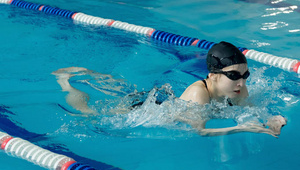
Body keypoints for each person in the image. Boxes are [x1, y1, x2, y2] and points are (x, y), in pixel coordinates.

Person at [53, 41, 286, 137]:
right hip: (145, 108)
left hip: (165, 99)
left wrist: (273, 120)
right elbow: (199, 131)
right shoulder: (198, 93)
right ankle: (65, 82)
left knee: (120, 88)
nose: (242, 82)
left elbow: (257, 109)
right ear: (213, 75)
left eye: (245, 75)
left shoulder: (238, 89)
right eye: (234, 76)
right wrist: (240, 128)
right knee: (90, 113)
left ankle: (92, 74)